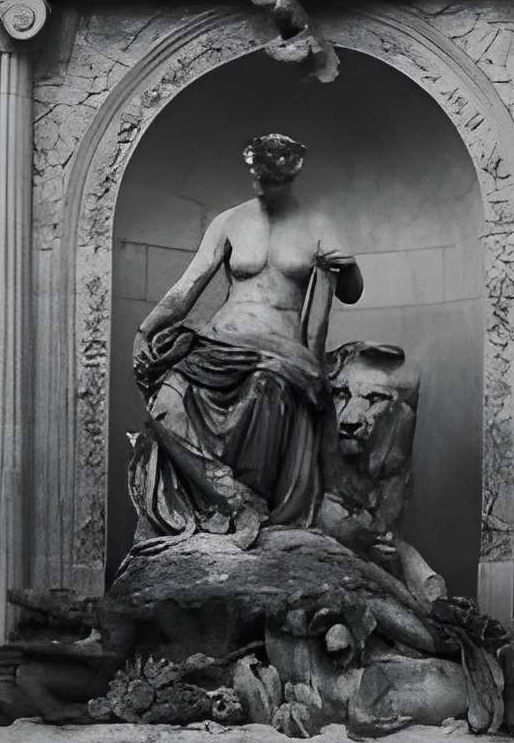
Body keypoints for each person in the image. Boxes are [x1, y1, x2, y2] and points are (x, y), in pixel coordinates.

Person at [128, 132, 362, 549]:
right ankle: (234, 498)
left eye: (270, 178)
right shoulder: (230, 220)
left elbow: (349, 292)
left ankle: (253, 513)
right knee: (164, 405)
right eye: (256, 176)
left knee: (264, 393)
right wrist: (146, 329)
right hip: (220, 343)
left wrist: (350, 269)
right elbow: (189, 286)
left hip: (280, 354)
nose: (261, 185)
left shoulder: (318, 225)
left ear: (289, 175)